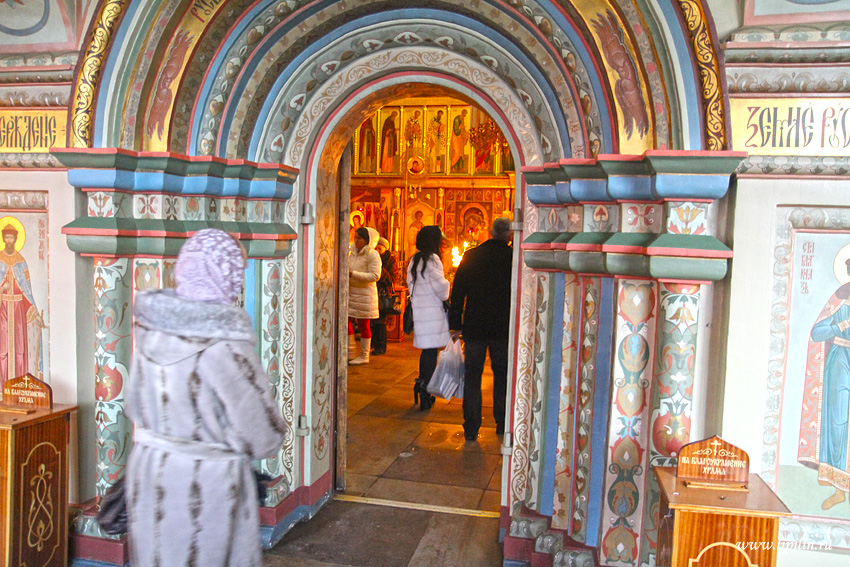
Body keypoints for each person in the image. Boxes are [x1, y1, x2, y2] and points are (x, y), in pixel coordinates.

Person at [124, 228, 287, 567]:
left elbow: (135, 405)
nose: (238, 281)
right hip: (206, 489)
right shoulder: (224, 344)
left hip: (151, 472)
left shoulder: (152, 331)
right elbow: (263, 435)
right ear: (222, 274)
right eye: (236, 271)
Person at [449, 217, 513, 440]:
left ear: (491, 232)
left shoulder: (472, 255)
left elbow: (458, 292)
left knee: (473, 376)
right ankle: (502, 422)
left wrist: (455, 323)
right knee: (502, 375)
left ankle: (471, 426)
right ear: (510, 235)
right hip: (502, 327)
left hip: (475, 325)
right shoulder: (513, 257)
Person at [799, 256, 850, 510]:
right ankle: (839, 487)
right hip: (841, 361)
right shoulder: (840, 298)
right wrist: (840, 325)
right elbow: (816, 332)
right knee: (839, 421)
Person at [407, 225, 451, 411]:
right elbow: (442, 290)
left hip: (420, 312)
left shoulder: (414, 259)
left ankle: (421, 385)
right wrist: (447, 282)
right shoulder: (432, 260)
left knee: (427, 352)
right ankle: (426, 389)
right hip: (432, 313)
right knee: (431, 354)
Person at [0, 223, 45, 386]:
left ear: (15, 239)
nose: (9, 241)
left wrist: (35, 314)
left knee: (19, 349)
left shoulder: (21, 263)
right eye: (6, 238)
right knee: (3, 348)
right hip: (2, 310)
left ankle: (18, 385)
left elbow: (27, 291)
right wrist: (2, 288)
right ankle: (2, 386)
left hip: (18, 310)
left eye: (11, 238)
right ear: (3, 239)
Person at [348, 226, 381, 365]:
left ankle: (364, 355)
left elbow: (375, 275)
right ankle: (349, 350)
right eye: (355, 237)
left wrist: (353, 274)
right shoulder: (351, 251)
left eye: (360, 238)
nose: (356, 241)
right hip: (350, 292)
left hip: (365, 294)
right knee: (345, 320)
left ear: (367, 240)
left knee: (363, 324)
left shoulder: (372, 254)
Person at [372, 237, 396, 356]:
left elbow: (391, 278)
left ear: (385, 249)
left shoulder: (390, 261)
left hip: (383, 294)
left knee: (380, 320)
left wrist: (380, 269)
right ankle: (374, 343)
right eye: (376, 248)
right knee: (373, 319)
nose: (377, 250)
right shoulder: (372, 258)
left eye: (380, 248)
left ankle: (381, 346)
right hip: (373, 292)